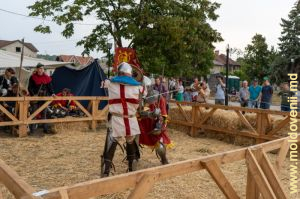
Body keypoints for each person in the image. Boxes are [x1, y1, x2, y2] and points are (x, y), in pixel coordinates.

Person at [101, 62, 142, 177]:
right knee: (130, 141)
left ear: (119, 72)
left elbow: (102, 84)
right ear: (129, 73)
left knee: (112, 141)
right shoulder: (138, 86)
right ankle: (131, 169)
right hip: (130, 119)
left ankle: (105, 172)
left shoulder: (109, 83)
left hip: (116, 118)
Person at [138, 88, 172, 165]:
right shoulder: (138, 96)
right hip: (142, 122)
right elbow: (138, 112)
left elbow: (163, 114)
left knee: (159, 142)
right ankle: (134, 157)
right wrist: (147, 114)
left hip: (155, 123)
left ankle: (164, 159)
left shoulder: (159, 98)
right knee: (134, 139)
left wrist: (160, 124)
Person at [28, 63, 55, 133]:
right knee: (33, 113)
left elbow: (50, 87)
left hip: (44, 98)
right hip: (35, 99)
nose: (40, 70)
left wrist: (52, 93)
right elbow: (30, 88)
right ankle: (32, 130)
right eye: (39, 68)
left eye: (42, 68)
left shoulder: (47, 77)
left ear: (43, 69)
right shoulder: (33, 77)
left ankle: (45, 129)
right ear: (37, 69)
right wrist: (33, 95)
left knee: (44, 114)